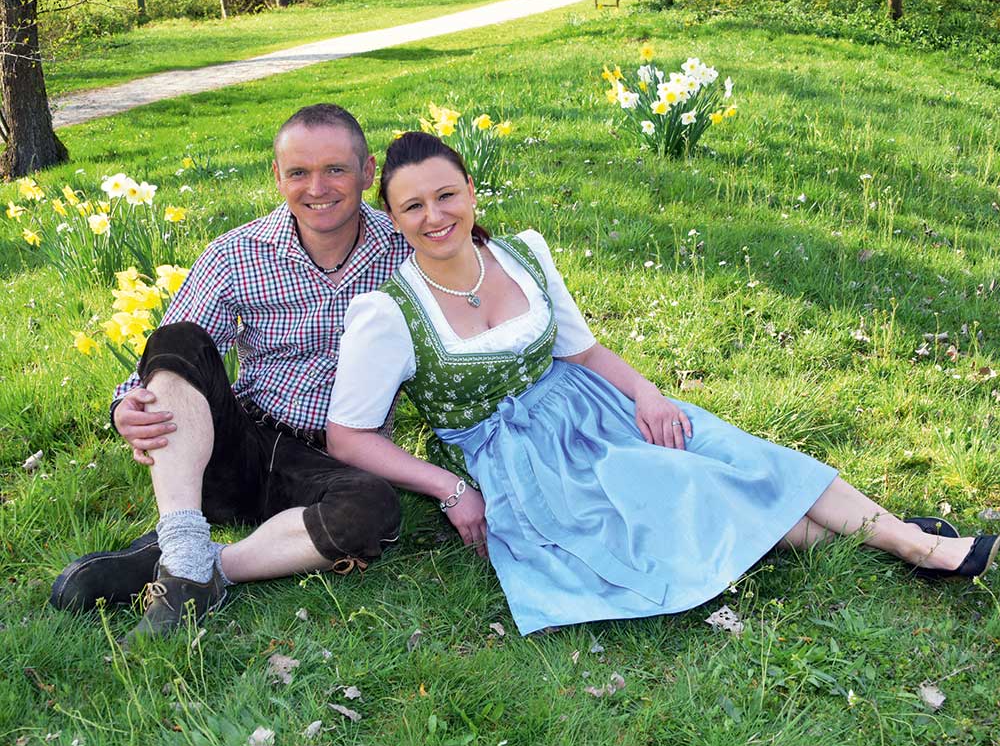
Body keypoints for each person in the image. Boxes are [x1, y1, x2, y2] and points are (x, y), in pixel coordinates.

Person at [325, 132, 998, 636]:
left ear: (472, 190)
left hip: (590, 401)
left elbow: (583, 351)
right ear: (392, 217)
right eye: (412, 206)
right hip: (519, 457)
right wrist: (450, 489)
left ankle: (917, 544)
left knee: (739, 454)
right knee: (697, 488)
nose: (435, 215)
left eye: (447, 195)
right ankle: (909, 543)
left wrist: (647, 393)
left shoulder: (522, 252)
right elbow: (347, 436)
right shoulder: (387, 312)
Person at [50, 104, 412, 641]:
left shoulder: (404, 249)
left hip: (331, 459)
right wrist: (126, 406)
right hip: (233, 441)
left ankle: (195, 567)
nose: (317, 187)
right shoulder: (237, 254)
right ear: (277, 176)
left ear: (367, 171)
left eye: (336, 169)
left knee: (374, 509)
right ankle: (184, 537)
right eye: (298, 172)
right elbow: (174, 354)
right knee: (177, 338)